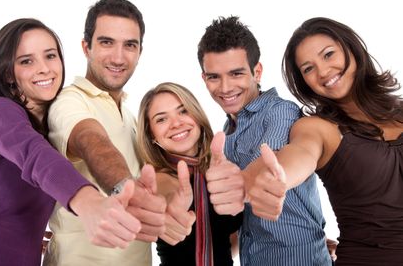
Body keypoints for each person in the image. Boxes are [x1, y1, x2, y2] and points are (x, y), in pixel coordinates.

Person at [0, 18, 141, 266]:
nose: (44, 68)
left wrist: (26, 235)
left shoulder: (44, 128)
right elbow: (36, 157)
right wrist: (90, 203)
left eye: (50, 56)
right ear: (9, 72)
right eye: (26, 61)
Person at [246, 17, 403, 265]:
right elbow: (297, 156)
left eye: (328, 55)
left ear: (351, 49)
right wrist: (272, 177)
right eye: (308, 68)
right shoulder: (317, 129)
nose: (323, 71)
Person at [197, 16, 333, 265]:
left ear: (256, 72)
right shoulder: (226, 133)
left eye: (236, 73)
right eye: (214, 77)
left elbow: (274, 159)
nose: (225, 87)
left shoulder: (280, 112)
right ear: (204, 79)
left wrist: (239, 185)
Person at [42, 0, 167, 266]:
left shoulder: (132, 117)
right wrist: (126, 188)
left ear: (140, 52)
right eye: (106, 42)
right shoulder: (70, 101)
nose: (118, 57)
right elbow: (91, 141)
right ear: (86, 47)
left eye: (129, 45)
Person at [137, 82, 243, 266]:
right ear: (151, 135)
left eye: (183, 111)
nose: (176, 123)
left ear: (197, 116)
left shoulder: (222, 170)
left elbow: (232, 240)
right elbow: (166, 192)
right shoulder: (157, 179)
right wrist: (169, 204)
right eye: (161, 119)